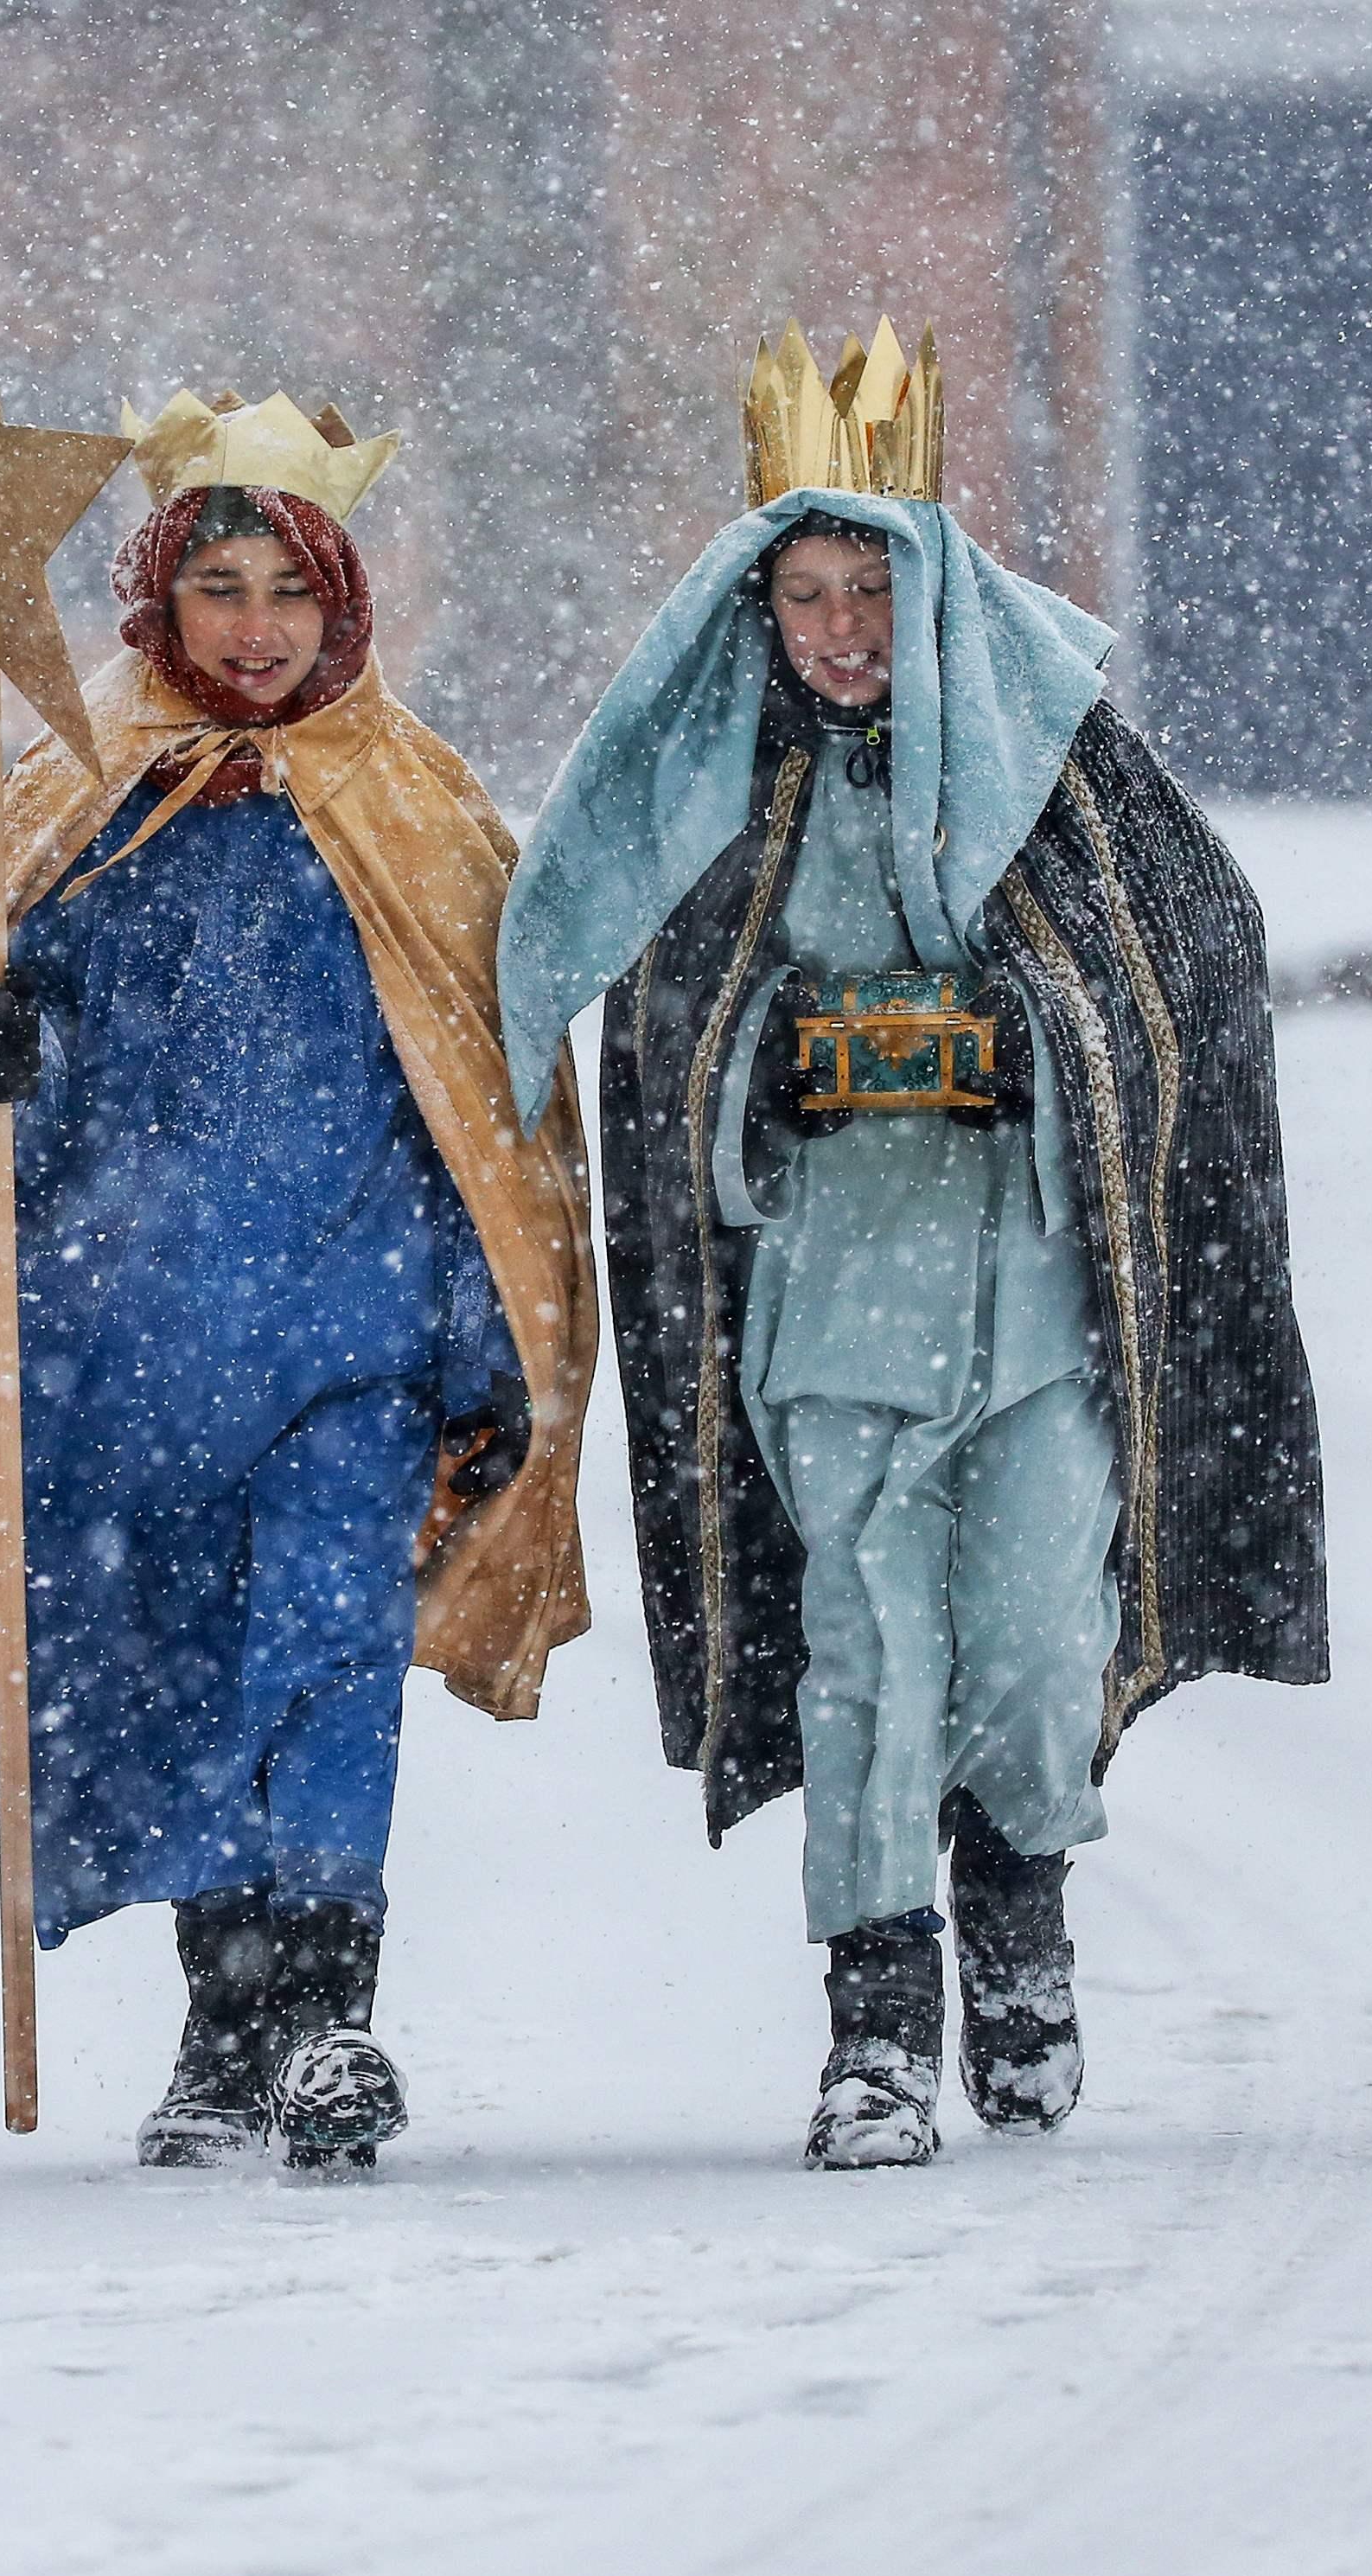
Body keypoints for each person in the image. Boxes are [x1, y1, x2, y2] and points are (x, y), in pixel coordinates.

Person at [499, 325, 1324, 2169]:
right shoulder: (734, 793)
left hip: (1037, 1295)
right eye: (806, 592)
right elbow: (667, 1037)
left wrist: (1021, 1040)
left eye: (871, 587)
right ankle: (875, 2024)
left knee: (1035, 1646)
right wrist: (777, 1073)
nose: (841, 629)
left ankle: (1018, 1919)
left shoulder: (1062, 768)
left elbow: (1174, 974)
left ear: (929, 586)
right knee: (864, 1656)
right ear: (763, 603)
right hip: (828, 1305)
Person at [0, 388, 597, 2171]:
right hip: (116, 1352)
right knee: (175, 1679)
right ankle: (227, 2028)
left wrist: (482, 1334)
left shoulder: (420, 811)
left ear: (344, 597)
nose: (256, 624)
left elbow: (486, 1105)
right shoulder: (67, 795)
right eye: (219, 583)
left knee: (324, 1659)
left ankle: (328, 2018)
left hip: (346, 1349)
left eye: (288, 585)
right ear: (160, 598)